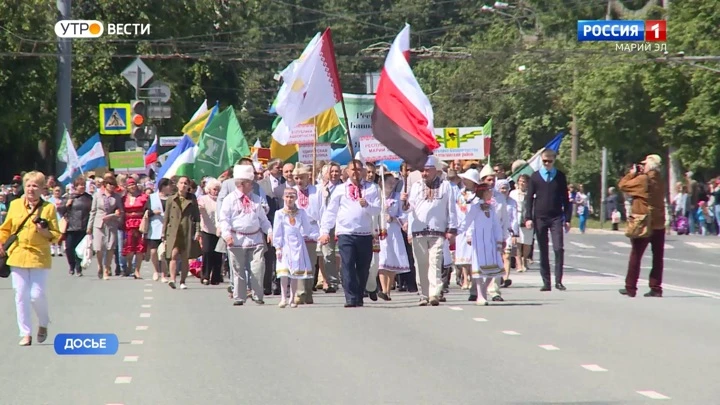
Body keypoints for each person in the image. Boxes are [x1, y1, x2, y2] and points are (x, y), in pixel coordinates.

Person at [0, 171, 62, 346]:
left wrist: (44, 231)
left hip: (38, 255)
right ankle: (25, 333)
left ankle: (43, 323)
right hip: (18, 254)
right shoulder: (15, 205)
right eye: (28, 185)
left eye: (35, 186)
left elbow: (56, 235)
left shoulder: (48, 208)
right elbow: (5, 229)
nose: (31, 189)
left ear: (42, 188)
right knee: (20, 294)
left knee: (36, 295)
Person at [319, 160, 381, 308]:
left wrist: (367, 205)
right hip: (345, 233)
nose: (355, 172)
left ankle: (359, 295)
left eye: (359, 170)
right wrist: (325, 231)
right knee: (347, 265)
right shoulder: (340, 189)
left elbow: (377, 210)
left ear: (364, 172)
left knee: (363, 267)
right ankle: (350, 297)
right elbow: (331, 212)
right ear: (346, 172)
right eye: (352, 170)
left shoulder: (372, 188)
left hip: (364, 233)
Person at [403, 155, 458, 307]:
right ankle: (423, 294)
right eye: (422, 170)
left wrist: (452, 228)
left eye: (427, 170)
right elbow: (409, 209)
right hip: (418, 231)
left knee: (435, 261)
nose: (424, 174)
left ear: (435, 170)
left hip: (438, 230)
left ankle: (434, 293)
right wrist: (404, 202)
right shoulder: (415, 186)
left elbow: (451, 209)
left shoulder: (446, 186)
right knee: (421, 263)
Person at [218, 165, 272, 305]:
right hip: (236, 239)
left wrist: (270, 232)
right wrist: (226, 234)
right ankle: (239, 296)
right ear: (241, 184)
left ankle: (257, 295)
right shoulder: (229, 200)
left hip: (255, 238)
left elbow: (263, 220)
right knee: (238, 269)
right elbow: (224, 219)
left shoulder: (256, 199)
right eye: (250, 182)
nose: (253, 185)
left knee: (258, 268)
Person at [618, 154, 666, 297]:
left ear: (649, 165)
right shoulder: (660, 180)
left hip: (644, 222)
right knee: (657, 257)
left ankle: (630, 287)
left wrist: (631, 174)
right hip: (659, 222)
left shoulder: (644, 180)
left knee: (636, 254)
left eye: (644, 164)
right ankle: (656, 287)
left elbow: (622, 185)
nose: (642, 167)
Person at [524, 149, 572, 292]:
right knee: (543, 249)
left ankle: (558, 281)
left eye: (550, 161)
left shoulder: (560, 176)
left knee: (558, 248)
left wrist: (567, 219)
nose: (547, 163)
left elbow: (566, 199)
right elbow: (529, 199)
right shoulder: (535, 177)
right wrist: (528, 218)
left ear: (554, 160)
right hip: (540, 218)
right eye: (544, 161)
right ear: (541, 160)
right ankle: (546, 282)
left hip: (556, 216)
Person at [459, 182, 504, 305]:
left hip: (491, 241)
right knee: (478, 267)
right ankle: (480, 295)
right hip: (479, 240)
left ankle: (483, 290)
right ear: (484, 192)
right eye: (489, 191)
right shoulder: (475, 207)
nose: (491, 193)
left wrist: (500, 240)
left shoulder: (492, 208)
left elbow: (496, 225)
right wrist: (456, 232)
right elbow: (467, 222)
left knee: (495, 268)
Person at [273, 187, 318, 308]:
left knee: (295, 274)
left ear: (296, 198)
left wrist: (317, 236)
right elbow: (277, 231)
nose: (289, 199)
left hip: (298, 244)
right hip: (285, 244)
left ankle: (292, 298)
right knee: (283, 272)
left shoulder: (301, 212)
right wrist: (278, 247)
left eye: (292, 197)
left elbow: (308, 229)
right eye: (287, 197)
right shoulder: (279, 214)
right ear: (283, 198)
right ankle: (283, 297)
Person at [162, 176, 201, 290]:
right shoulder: (171, 199)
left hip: (187, 230)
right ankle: (173, 279)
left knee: (185, 257)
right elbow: (166, 217)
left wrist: (198, 231)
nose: (183, 185)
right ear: (177, 185)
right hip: (174, 230)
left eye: (186, 183)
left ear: (188, 186)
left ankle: (183, 281)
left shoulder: (192, 198)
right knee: (173, 255)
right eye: (181, 183)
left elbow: (197, 217)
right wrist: (163, 233)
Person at [87, 174, 124, 280]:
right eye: (110, 184)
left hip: (111, 224)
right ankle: (100, 265)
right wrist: (89, 226)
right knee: (98, 248)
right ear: (105, 185)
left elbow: (120, 211)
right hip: (98, 224)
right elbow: (93, 211)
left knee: (110, 248)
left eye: (114, 185)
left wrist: (114, 215)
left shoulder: (117, 197)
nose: (112, 187)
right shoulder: (97, 195)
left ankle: (107, 268)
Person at [57, 176, 93, 276]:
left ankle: (78, 268)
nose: (82, 187)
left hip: (83, 226)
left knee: (80, 248)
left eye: (84, 185)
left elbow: (93, 210)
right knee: (69, 248)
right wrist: (66, 205)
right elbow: (60, 210)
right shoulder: (69, 197)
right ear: (75, 186)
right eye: (80, 185)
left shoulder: (88, 198)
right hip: (71, 226)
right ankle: (71, 265)